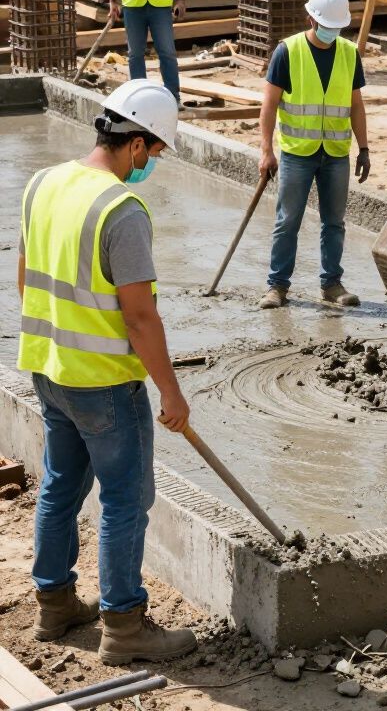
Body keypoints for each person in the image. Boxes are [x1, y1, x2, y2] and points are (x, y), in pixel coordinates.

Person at [18, 79, 197, 665]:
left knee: (60, 485)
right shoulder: (122, 209)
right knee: (125, 499)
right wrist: (171, 392)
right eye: (157, 153)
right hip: (104, 383)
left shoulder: (43, 183)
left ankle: (55, 603)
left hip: (48, 369)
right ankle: (124, 626)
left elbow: (25, 282)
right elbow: (141, 318)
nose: (154, 166)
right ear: (137, 144)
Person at [259, 0, 371, 309]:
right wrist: (266, 150)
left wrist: (364, 148)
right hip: (297, 153)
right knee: (287, 221)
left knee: (334, 223)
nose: (330, 33)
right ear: (310, 19)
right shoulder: (287, 52)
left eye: (336, 28)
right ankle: (277, 286)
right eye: (326, 26)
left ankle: (332, 285)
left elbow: (356, 106)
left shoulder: (349, 53)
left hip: (335, 154)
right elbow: (268, 106)